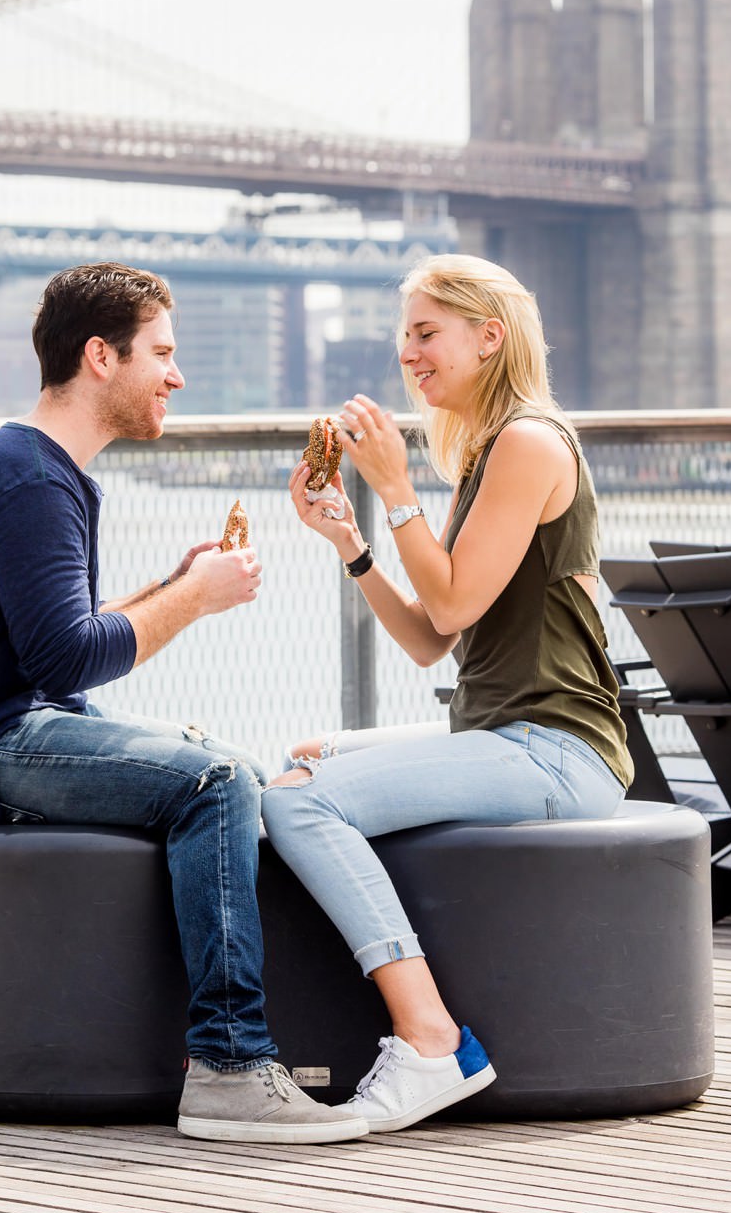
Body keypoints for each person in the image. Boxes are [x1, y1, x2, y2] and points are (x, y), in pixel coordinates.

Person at [0, 261, 367, 1146]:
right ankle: (228, 1065)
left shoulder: (36, 469)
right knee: (214, 781)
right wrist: (199, 597)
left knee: (238, 773)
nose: (177, 376)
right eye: (163, 353)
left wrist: (169, 584)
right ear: (100, 356)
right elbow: (66, 656)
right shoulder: (32, 480)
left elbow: (56, 645)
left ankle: (242, 1041)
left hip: (0, 723)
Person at [262, 253, 634, 1134]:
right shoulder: (486, 456)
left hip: (556, 748)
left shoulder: (530, 443)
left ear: (488, 337)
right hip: (509, 735)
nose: (409, 355)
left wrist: (394, 490)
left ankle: (429, 1039)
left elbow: (455, 598)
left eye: (426, 333)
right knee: (304, 762)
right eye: (404, 337)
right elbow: (437, 634)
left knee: (305, 808)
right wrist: (351, 544)